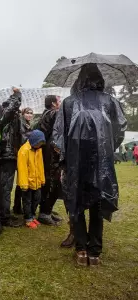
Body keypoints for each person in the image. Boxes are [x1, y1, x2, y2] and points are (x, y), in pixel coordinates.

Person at [52, 63, 127, 266]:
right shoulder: (110, 101)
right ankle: (94, 252)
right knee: (97, 203)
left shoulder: (68, 103)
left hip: (76, 162)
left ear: (79, 78)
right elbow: (120, 130)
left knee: (76, 203)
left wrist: (65, 158)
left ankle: (82, 250)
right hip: (101, 162)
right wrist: (107, 147)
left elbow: (57, 137)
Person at [33, 95, 63, 227]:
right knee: (53, 183)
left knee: (49, 183)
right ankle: (45, 213)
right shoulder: (54, 113)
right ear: (53, 103)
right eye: (59, 101)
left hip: (46, 153)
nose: (61, 103)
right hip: (52, 153)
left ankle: (46, 211)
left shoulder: (45, 115)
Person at [0, 88, 23, 227]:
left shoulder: (10, 121)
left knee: (6, 188)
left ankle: (4, 213)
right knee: (5, 188)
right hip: (7, 156)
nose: (17, 112)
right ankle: (4, 217)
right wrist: (17, 95)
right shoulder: (5, 117)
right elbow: (12, 108)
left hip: (10, 156)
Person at [17, 130, 45, 228]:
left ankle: (33, 216)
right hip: (27, 183)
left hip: (37, 181)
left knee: (37, 199)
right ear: (33, 141)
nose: (40, 145)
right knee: (27, 201)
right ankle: (28, 219)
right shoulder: (23, 150)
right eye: (38, 143)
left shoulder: (39, 149)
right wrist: (24, 184)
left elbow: (40, 165)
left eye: (41, 143)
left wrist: (42, 179)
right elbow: (22, 169)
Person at [13, 107, 34, 215]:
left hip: (25, 154)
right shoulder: (21, 122)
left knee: (21, 181)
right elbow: (22, 138)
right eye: (27, 113)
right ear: (23, 114)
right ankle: (17, 206)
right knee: (21, 181)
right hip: (21, 154)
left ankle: (17, 206)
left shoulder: (28, 124)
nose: (29, 115)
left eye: (31, 113)